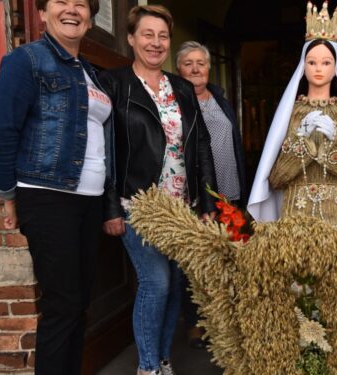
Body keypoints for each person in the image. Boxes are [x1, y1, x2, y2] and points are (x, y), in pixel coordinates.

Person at [0, 0, 112, 374]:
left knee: (79, 305)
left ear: (90, 17)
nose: (71, 10)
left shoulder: (88, 70)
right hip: (48, 196)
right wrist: (8, 194)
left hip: (89, 199)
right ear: (42, 13)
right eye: (61, 2)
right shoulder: (27, 60)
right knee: (62, 306)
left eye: (81, 4)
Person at [98, 5, 217, 375]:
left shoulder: (181, 87)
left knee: (176, 284)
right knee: (157, 282)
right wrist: (110, 208)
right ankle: (147, 367)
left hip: (181, 205)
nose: (156, 43)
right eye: (147, 34)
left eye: (163, 36)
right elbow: (104, 150)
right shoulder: (113, 84)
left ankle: (163, 359)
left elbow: (199, 145)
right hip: (139, 204)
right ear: (131, 39)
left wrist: (208, 200)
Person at [248, 2, 337, 243]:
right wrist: (301, 140)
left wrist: (336, 142)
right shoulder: (290, 113)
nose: (318, 68)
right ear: (303, 67)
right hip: (297, 218)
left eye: (325, 63)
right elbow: (276, 178)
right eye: (312, 62)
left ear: (336, 69)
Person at [175, 40, 248, 348]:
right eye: (188, 63)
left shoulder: (219, 96)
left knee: (227, 258)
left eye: (200, 63)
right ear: (178, 69)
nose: (195, 68)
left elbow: (232, 140)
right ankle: (196, 321)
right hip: (197, 194)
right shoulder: (175, 99)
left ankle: (226, 320)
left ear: (208, 67)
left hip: (228, 192)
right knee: (197, 261)